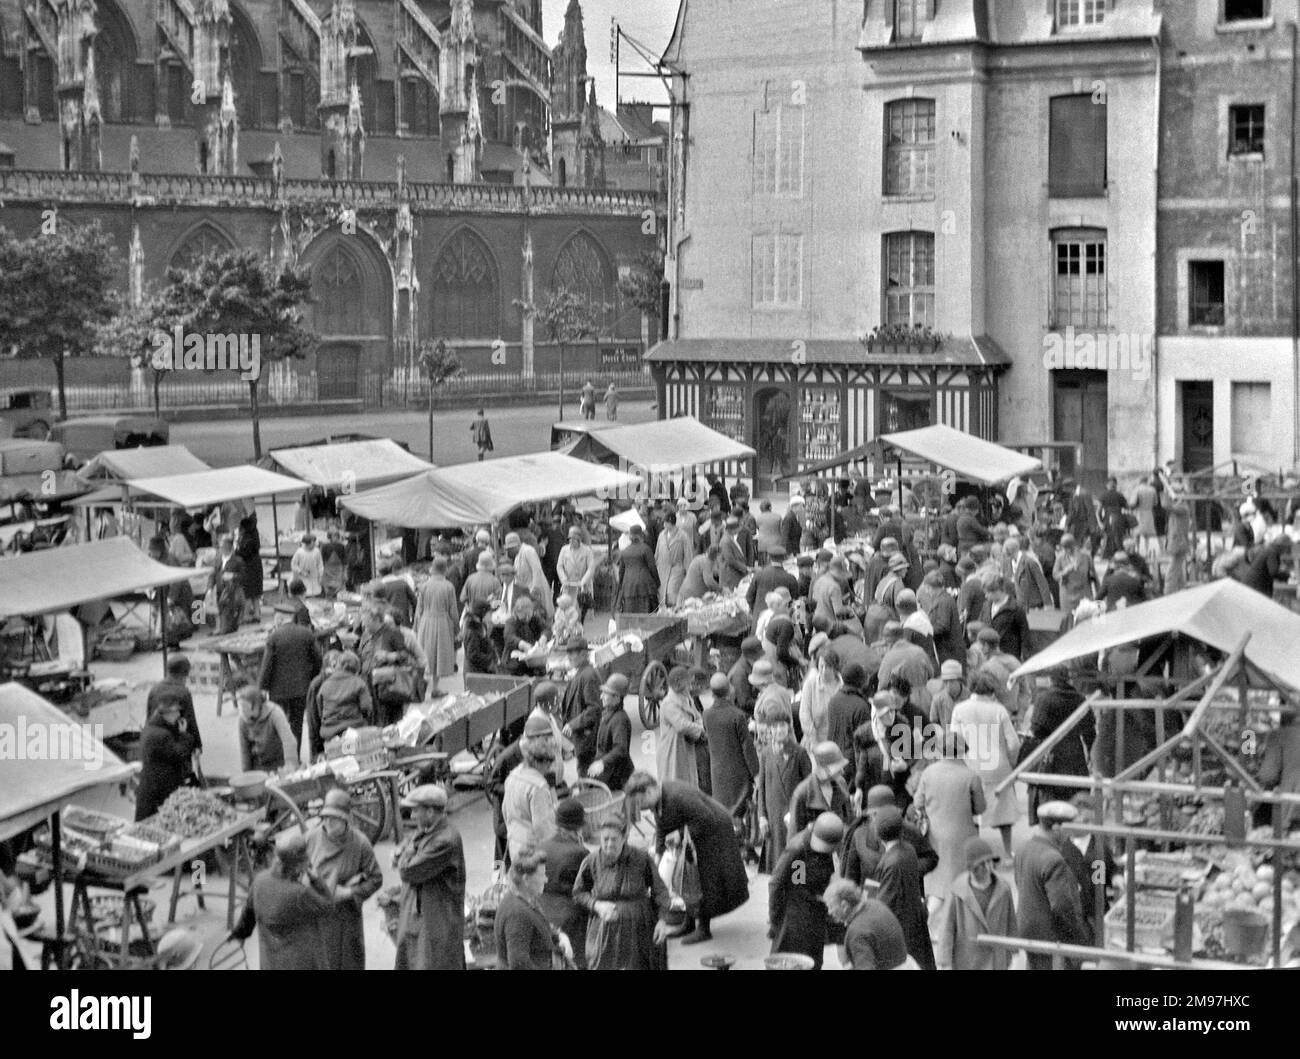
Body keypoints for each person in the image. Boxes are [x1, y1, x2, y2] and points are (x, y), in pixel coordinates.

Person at [625, 772, 750, 945]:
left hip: (715, 831)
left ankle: (704, 928)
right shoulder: (658, 798)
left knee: (705, 880)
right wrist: (658, 854)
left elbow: (706, 817)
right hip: (696, 832)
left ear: (649, 792)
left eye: (640, 802)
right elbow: (662, 826)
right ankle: (689, 923)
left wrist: (681, 833)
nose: (640, 807)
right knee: (686, 878)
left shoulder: (678, 795)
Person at [573, 814, 671, 969]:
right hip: (605, 931)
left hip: (639, 930)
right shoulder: (591, 861)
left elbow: (660, 890)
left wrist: (662, 920)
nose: (609, 844)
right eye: (605, 839)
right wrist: (596, 905)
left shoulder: (641, 858)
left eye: (614, 839)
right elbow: (578, 893)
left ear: (624, 838)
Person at [230, 832, 333, 970]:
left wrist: (239, 934)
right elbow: (328, 906)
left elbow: (248, 915)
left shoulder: (259, 881)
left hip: (270, 964)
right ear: (298, 866)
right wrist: (316, 879)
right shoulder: (299, 893)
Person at [304, 789, 383, 970]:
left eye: (334, 817)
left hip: (347, 917)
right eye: (325, 816)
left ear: (345, 819)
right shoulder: (310, 838)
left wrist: (349, 892)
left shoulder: (360, 843)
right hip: (318, 917)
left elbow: (376, 878)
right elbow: (295, 873)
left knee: (349, 962)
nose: (328, 821)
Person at [950, 670, 1021, 860]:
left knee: (972, 814)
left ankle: (977, 855)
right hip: (999, 767)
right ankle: (1007, 853)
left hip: (971, 767)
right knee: (1004, 814)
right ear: (992, 690)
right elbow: (1013, 743)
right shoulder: (999, 710)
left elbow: (955, 741)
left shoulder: (959, 709)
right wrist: (1011, 763)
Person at [394, 785, 466, 970]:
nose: (412, 816)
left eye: (416, 811)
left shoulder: (445, 840)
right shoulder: (428, 831)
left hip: (438, 923)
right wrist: (407, 852)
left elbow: (408, 871)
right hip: (425, 917)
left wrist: (404, 855)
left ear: (431, 811)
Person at [912, 731, 986, 904]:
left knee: (936, 888)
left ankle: (932, 922)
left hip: (934, 837)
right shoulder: (971, 776)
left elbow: (917, 802)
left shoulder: (929, 773)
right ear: (962, 751)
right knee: (963, 886)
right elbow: (980, 808)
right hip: (964, 837)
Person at [1015, 800, 1089, 970]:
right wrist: (1079, 934)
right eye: (1067, 829)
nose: (1069, 834)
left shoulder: (1023, 848)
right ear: (1057, 828)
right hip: (1051, 935)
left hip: (1028, 928)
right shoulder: (1054, 858)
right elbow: (1062, 906)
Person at [769, 812, 844, 969]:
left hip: (815, 913)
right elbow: (776, 883)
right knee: (789, 961)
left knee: (813, 961)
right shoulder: (798, 848)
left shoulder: (828, 845)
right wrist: (775, 918)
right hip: (794, 919)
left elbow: (805, 878)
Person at [935, 836, 1017, 971]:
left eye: (989, 861)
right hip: (967, 962)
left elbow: (1011, 923)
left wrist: (1013, 955)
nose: (987, 867)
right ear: (970, 868)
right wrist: (945, 963)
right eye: (981, 864)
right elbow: (947, 929)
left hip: (997, 961)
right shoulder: (957, 891)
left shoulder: (1004, 888)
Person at [873, 806, 936, 969]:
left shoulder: (891, 863)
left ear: (879, 836)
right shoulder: (908, 849)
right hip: (915, 921)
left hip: (901, 929)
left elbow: (884, 904)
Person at [840, 784, 938, 886]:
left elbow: (930, 858)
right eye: (875, 814)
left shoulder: (909, 831)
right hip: (872, 894)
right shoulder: (860, 834)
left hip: (903, 892)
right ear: (870, 815)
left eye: (885, 814)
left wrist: (907, 870)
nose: (880, 819)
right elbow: (851, 875)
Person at [495, 847, 574, 970]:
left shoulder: (525, 897)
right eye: (542, 875)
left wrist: (560, 936)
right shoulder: (517, 914)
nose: (546, 879)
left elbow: (540, 925)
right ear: (526, 879)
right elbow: (519, 964)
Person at [258, 606, 323, 751]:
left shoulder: (274, 637)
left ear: (279, 619)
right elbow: (318, 660)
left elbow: (266, 666)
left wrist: (261, 688)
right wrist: (312, 679)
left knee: (278, 723)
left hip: (278, 691)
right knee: (297, 724)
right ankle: (295, 756)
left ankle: (281, 757)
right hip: (301, 689)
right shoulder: (306, 634)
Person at [537, 799, 591, 966]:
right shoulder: (580, 852)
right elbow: (588, 889)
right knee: (572, 962)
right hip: (570, 918)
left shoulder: (541, 846)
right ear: (578, 826)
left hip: (541, 912)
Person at [702, 672, 760, 819]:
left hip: (718, 774)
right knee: (740, 812)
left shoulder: (707, 715)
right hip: (738, 774)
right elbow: (747, 748)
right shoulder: (737, 715)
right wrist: (756, 774)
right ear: (729, 691)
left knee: (723, 812)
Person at [825, 876, 913, 970]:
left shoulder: (857, 933)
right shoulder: (875, 904)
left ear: (844, 906)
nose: (829, 912)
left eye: (831, 906)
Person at [504, 715, 559, 860]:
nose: (548, 769)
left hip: (514, 842)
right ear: (542, 762)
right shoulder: (538, 786)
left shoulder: (513, 775)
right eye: (549, 764)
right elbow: (543, 828)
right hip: (532, 848)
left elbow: (505, 812)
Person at [135, 698, 198, 821]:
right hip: (161, 790)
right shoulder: (162, 735)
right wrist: (184, 735)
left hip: (149, 787)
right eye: (176, 712)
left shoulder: (149, 728)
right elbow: (180, 754)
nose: (179, 715)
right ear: (167, 714)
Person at [305, 651, 372, 760]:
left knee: (338, 761)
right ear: (356, 668)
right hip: (353, 731)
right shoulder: (358, 683)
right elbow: (367, 708)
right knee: (353, 760)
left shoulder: (324, 685)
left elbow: (320, 711)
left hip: (329, 734)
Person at [415, 555, 459, 697]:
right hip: (442, 622)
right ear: (445, 569)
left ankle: (420, 688)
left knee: (426, 654)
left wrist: (416, 627)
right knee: (438, 655)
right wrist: (457, 628)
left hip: (426, 621)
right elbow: (453, 610)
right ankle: (435, 687)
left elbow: (418, 610)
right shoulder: (448, 586)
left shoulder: (424, 586)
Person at [788, 741, 853, 835]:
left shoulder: (841, 783)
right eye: (838, 768)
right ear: (825, 769)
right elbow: (794, 838)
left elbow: (849, 820)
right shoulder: (802, 793)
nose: (842, 771)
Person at [656, 665, 705, 787]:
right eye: (687, 683)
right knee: (674, 781)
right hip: (672, 749)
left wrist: (698, 724)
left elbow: (697, 715)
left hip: (685, 746)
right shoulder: (668, 703)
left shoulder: (686, 696)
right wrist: (700, 728)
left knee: (688, 780)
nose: (690, 686)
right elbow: (681, 725)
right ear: (678, 683)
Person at [560, 637, 603, 776]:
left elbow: (594, 709)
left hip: (588, 739)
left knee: (586, 776)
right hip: (582, 739)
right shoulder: (581, 673)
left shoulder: (588, 675)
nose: (569, 657)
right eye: (568, 653)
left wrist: (572, 724)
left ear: (584, 654)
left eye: (573, 653)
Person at [145, 655, 202, 755]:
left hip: (154, 740)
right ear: (185, 675)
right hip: (176, 742)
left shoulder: (154, 690)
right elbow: (190, 720)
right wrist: (197, 745)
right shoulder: (183, 693)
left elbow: (149, 717)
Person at [237, 684, 299, 774]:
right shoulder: (242, 720)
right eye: (240, 707)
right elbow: (245, 751)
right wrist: (247, 774)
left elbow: (289, 741)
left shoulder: (275, 713)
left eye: (245, 707)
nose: (242, 711)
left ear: (256, 706)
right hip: (258, 766)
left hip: (278, 764)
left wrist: (290, 765)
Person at [589, 673, 634, 791]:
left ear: (617, 698)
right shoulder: (607, 713)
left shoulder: (620, 719)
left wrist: (602, 762)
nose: (601, 697)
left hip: (617, 776)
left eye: (606, 693)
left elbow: (621, 749)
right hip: (608, 773)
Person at [979, 576, 1031, 659]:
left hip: (1008, 655)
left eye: (988, 593)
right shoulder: (986, 606)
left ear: (998, 591)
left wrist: (1025, 655)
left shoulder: (1015, 608)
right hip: (987, 655)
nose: (986, 596)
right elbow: (980, 625)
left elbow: (1024, 633)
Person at [615, 525, 659, 613]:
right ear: (641, 535)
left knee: (631, 618)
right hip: (645, 587)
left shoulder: (625, 551)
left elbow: (621, 573)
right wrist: (657, 583)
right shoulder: (646, 549)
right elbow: (652, 568)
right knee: (646, 617)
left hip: (628, 588)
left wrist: (621, 587)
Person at [557, 526, 597, 620]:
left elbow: (591, 568)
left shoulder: (587, 550)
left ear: (579, 539)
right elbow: (559, 566)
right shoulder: (564, 550)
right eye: (569, 539)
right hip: (568, 585)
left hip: (582, 586)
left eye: (573, 539)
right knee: (567, 613)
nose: (571, 541)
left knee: (581, 614)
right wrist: (564, 579)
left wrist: (583, 581)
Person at [210, 533, 246, 636]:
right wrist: (209, 588)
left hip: (232, 592)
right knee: (220, 612)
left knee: (229, 615)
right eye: (220, 546)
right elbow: (213, 575)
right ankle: (222, 629)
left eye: (222, 546)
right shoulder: (217, 560)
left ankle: (226, 630)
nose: (220, 548)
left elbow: (244, 576)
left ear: (228, 546)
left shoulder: (238, 561)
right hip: (220, 591)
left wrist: (233, 576)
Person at [1053, 533, 1096, 615]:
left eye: (1068, 548)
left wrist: (1099, 597)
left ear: (1073, 546)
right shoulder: (1060, 558)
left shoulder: (1085, 557)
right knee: (1068, 620)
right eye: (1064, 548)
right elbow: (1055, 575)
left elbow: (1094, 576)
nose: (1066, 551)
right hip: (1067, 596)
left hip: (1083, 594)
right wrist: (1065, 572)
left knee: (1084, 621)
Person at [654, 512, 687, 607]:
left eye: (665, 522)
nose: (663, 524)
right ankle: (665, 614)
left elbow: (688, 554)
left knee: (671, 593)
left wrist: (687, 570)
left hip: (676, 568)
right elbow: (657, 552)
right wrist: (655, 565)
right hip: (662, 569)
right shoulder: (661, 535)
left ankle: (674, 611)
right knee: (662, 595)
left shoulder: (682, 535)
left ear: (671, 522)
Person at [729, 635, 763, 716]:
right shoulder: (740, 674)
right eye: (759, 656)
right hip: (742, 714)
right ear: (752, 656)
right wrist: (765, 702)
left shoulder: (747, 665)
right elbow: (744, 703)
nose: (761, 657)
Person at [320, 528, 347, 598]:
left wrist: (344, 572)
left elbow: (344, 561)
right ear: (329, 537)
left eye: (337, 536)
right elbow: (321, 560)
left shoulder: (341, 546)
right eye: (334, 536)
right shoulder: (325, 546)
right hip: (328, 570)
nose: (336, 538)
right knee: (328, 589)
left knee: (338, 590)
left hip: (338, 570)